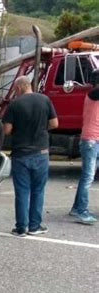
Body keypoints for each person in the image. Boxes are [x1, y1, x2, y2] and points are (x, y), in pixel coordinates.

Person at [3, 76, 58, 237]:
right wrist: (41, 128)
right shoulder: (45, 100)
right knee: (38, 191)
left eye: (15, 89)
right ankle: (35, 226)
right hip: (41, 153)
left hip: (21, 154)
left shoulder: (15, 104)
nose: (15, 92)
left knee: (22, 192)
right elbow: (55, 124)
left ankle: (21, 228)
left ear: (19, 88)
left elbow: (6, 130)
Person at [69, 69, 99, 225]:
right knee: (88, 177)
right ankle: (81, 211)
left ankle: (76, 208)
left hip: (95, 140)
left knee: (88, 176)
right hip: (91, 141)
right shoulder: (92, 94)